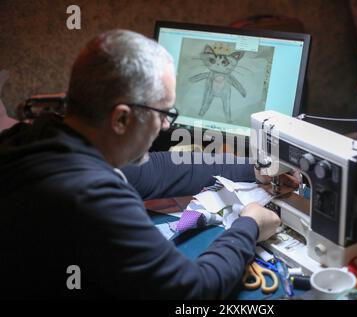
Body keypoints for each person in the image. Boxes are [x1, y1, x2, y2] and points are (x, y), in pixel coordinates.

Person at [0, 30, 297, 299]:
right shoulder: (90, 196)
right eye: (163, 112)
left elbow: (156, 169)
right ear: (121, 119)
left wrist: (251, 169)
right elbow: (194, 290)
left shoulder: (40, 136)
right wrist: (250, 226)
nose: (167, 125)